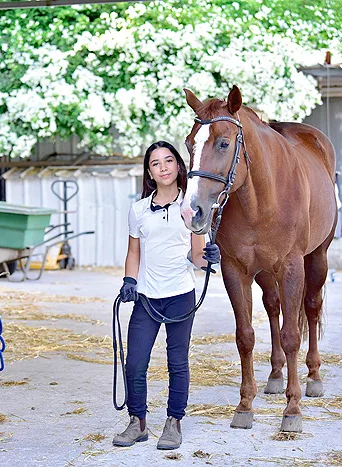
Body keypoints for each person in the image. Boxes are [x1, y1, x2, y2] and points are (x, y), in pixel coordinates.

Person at [112, 141, 220, 450]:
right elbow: (133, 252)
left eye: (169, 160)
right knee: (134, 363)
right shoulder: (139, 210)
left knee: (177, 362)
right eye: (156, 163)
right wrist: (129, 281)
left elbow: (197, 256)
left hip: (180, 296)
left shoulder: (192, 207)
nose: (163, 167)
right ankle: (138, 422)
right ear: (149, 172)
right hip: (146, 297)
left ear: (178, 166)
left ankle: (173, 422)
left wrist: (212, 255)